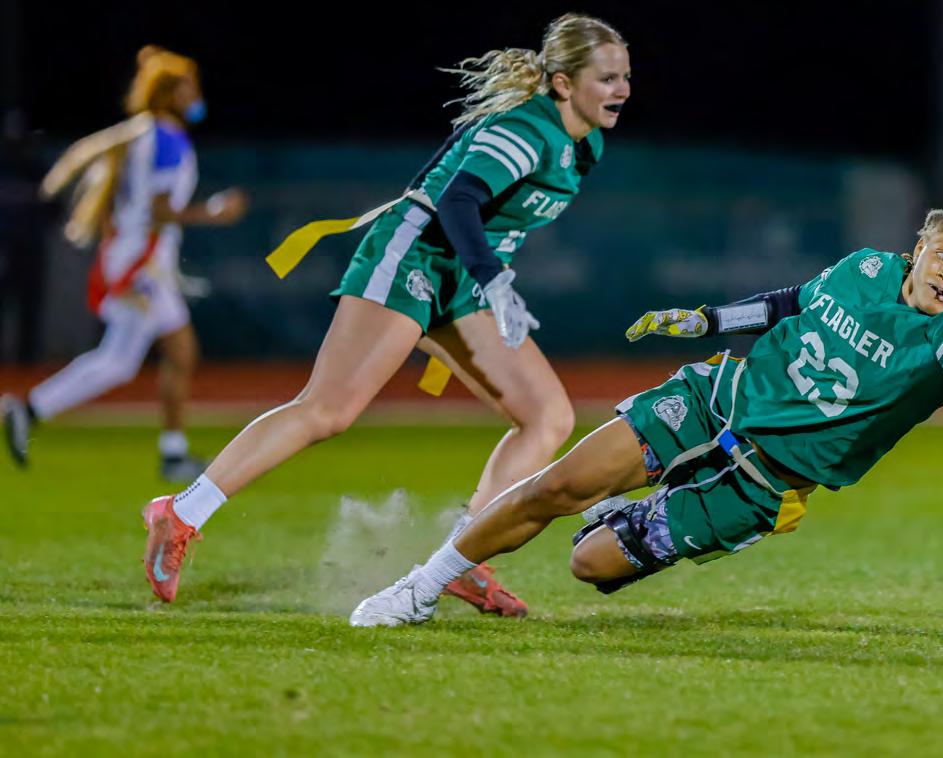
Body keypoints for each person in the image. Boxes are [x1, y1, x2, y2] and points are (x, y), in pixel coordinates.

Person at [347, 205, 943, 627]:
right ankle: (420, 587)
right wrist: (707, 320)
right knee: (557, 485)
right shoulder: (862, 268)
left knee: (589, 566)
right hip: (717, 399)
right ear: (917, 247)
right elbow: (788, 302)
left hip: (764, 484)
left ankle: (639, 515)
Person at [136, 13, 632, 613]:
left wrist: (485, 274)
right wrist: (492, 276)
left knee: (547, 416)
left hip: (464, 277)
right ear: (562, 82)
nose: (622, 89)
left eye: (625, 76)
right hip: (415, 253)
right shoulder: (527, 129)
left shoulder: (586, 143)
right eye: (607, 78)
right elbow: (457, 200)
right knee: (328, 409)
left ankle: (460, 558)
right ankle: (180, 512)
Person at [2, 46, 248, 482]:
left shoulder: (142, 135)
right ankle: (31, 409)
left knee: (159, 354)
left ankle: (170, 452)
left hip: (136, 257)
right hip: (142, 263)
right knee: (136, 358)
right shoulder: (167, 139)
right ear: (170, 94)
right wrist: (215, 212)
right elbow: (158, 210)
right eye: (188, 88)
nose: (196, 95)